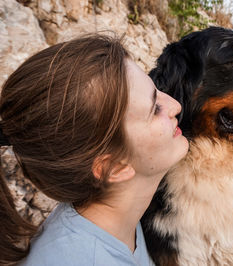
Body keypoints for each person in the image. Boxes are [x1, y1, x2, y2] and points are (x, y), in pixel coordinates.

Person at [0, 34, 189, 265]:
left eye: (157, 92)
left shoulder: (118, 225)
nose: (176, 106)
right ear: (113, 167)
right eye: (155, 108)